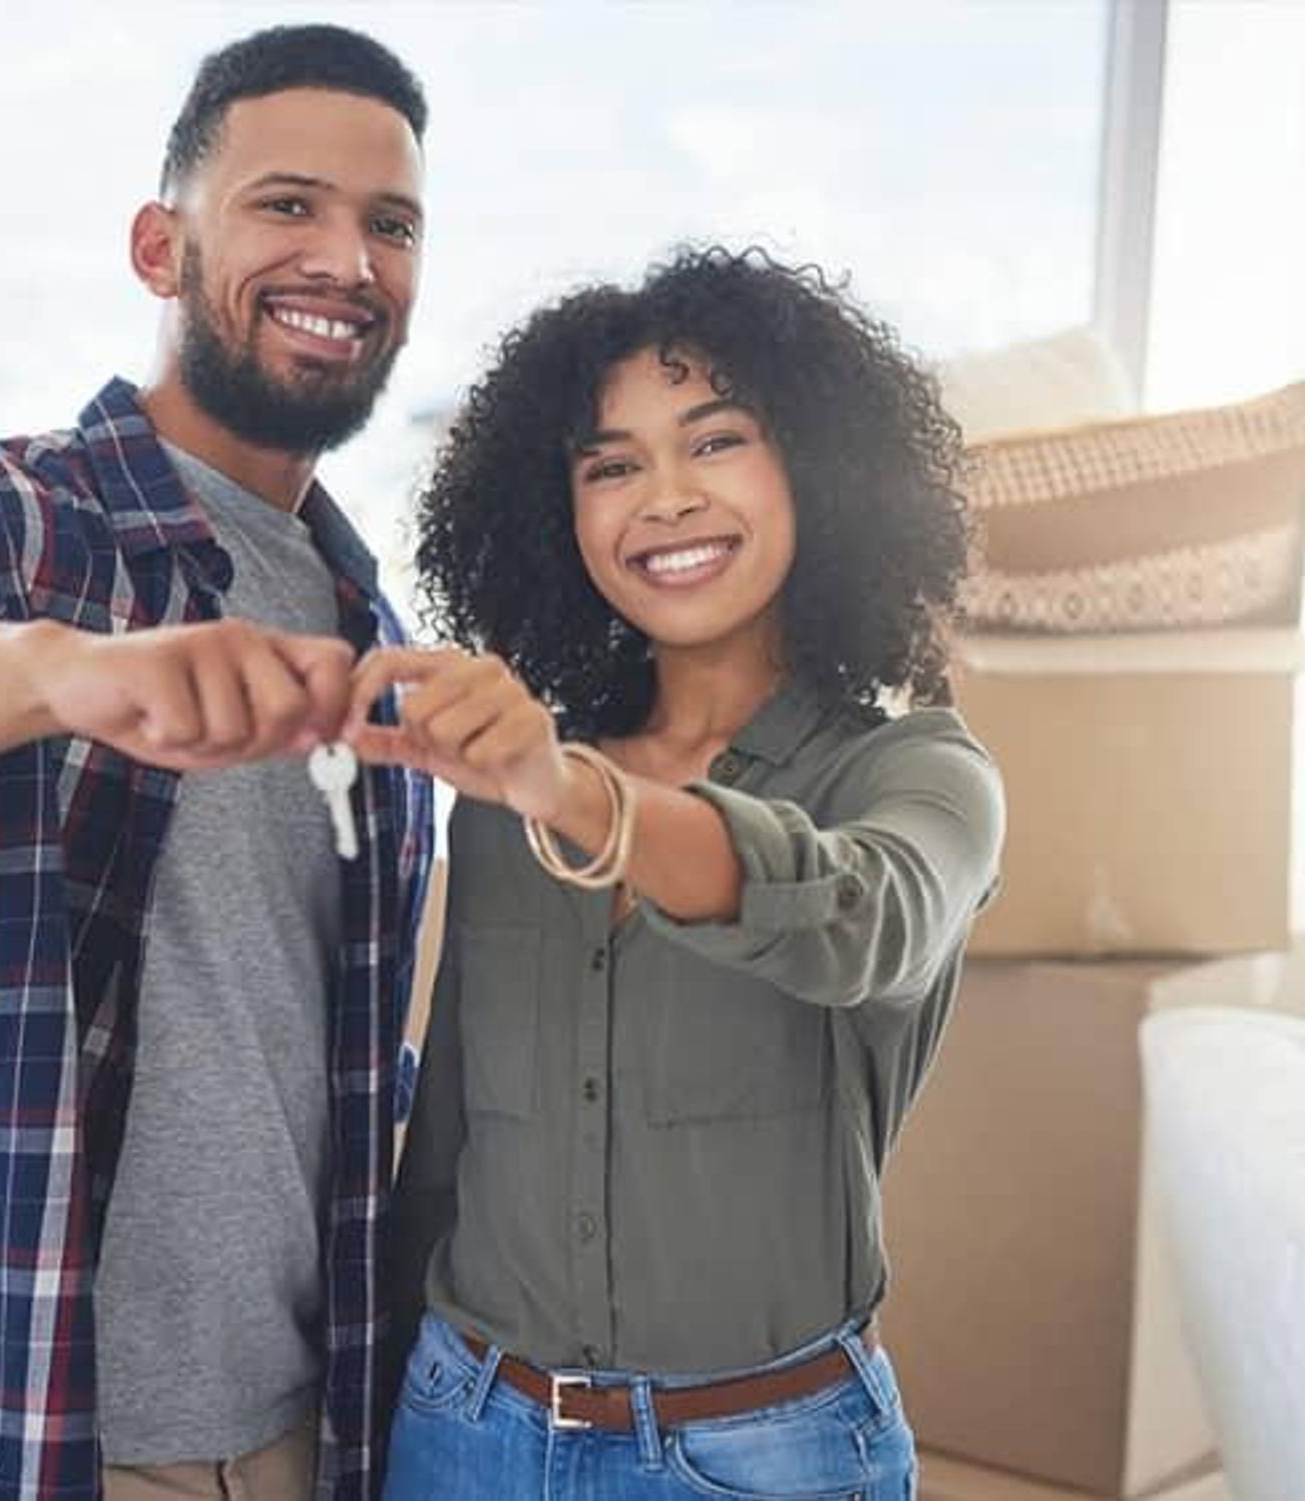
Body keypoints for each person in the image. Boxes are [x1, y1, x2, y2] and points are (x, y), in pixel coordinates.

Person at [0, 26, 434, 1501]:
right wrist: (56, 669)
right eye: (286, 205)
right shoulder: (20, 523)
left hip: (286, 1437)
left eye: (390, 224)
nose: (346, 261)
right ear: (159, 244)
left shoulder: (364, 620)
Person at [347, 247, 1005, 1500]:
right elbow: (450, 1146)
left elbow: (861, 918)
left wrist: (572, 795)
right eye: (610, 464)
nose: (662, 498)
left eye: (714, 442)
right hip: (460, 1428)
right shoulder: (513, 789)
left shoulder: (920, 770)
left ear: (815, 464)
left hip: (771, 1455)